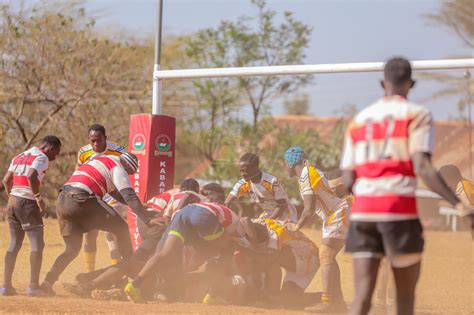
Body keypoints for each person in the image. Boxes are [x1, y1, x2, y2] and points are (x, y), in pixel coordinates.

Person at [340, 57, 473, 315]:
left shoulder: (359, 120)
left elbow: (348, 180)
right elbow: (423, 167)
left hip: (364, 214)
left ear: (382, 83)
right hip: (398, 212)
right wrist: (459, 205)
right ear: (411, 83)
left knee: (361, 298)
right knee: (403, 301)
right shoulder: (417, 114)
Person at [40, 152, 158, 295]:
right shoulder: (118, 167)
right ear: (127, 165)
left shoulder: (101, 160)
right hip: (82, 199)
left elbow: (115, 193)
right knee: (120, 227)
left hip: (63, 200)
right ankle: (130, 265)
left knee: (71, 250)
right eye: (129, 173)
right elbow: (128, 194)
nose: (128, 175)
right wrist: (147, 218)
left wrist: (140, 207)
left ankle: (47, 283)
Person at [124, 183, 245, 303]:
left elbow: (170, 215)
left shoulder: (194, 200)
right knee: (227, 250)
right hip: (200, 218)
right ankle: (213, 294)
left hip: (181, 216)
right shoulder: (220, 208)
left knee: (163, 253)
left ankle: (135, 285)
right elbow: (236, 235)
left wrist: (177, 218)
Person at [283, 147, 349, 312]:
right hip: (334, 215)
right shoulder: (308, 173)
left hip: (338, 213)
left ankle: (328, 303)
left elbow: (309, 209)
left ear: (291, 163)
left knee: (326, 254)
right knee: (329, 257)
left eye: (285, 162)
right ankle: (337, 302)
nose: (284, 166)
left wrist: (296, 226)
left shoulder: (306, 174)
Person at [1, 135, 62, 296]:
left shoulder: (20, 156)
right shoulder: (42, 157)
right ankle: (33, 287)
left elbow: (6, 180)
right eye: (56, 153)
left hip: (12, 202)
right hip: (27, 203)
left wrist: (13, 198)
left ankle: (6, 286)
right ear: (51, 148)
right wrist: (38, 198)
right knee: (37, 245)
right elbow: (31, 176)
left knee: (14, 244)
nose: (55, 157)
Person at [235, 218, 320, 309]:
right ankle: (327, 297)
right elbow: (244, 220)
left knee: (268, 259)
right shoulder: (255, 224)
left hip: (307, 259)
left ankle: (272, 297)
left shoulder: (274, 239)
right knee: (288, 301)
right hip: (295, 256)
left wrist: (243, 249)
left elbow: (267, 260)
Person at [77, 124, 126, 272]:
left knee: (111, 233)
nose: (96, 144)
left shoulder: (119, 152)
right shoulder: (83, 152)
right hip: (92, 196)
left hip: (113, 195)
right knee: (90, 234)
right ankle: (89, 273)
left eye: (99, 140)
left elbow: (128, 172)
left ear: (106, 138)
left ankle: (116, 271)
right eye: (92, 141)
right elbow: (78, 172)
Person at [225, 153, 297, 222]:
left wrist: (269, 220)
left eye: (245, 170)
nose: (242, 174)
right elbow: (227, 202)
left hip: (286, 216)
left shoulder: (272, 181)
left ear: (255, 168)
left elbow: (282, 205)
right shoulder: (243, 183)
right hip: (268, 215)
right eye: (240, 171)